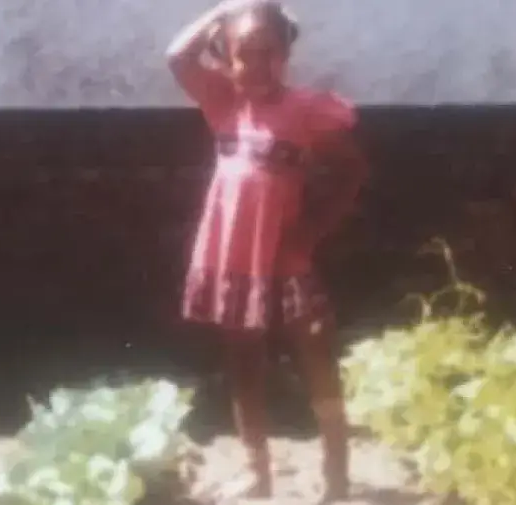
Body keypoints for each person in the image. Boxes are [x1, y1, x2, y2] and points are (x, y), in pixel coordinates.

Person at [164, 0, 369, 502]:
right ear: (226, 59)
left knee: (316, 357)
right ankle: (258, 478)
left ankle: (337, 480)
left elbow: (352, 172)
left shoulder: (307, 111)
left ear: (286, 54)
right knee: (244, 366)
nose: (256, 65)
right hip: (234, 262)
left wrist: (313, 231)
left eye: (268, 52)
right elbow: (177, 57)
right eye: (242, 54)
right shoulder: (223, 103)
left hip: (287, 261)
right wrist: (225, 10)